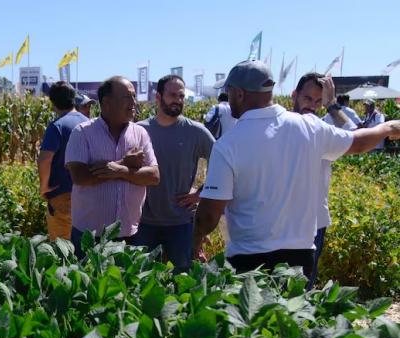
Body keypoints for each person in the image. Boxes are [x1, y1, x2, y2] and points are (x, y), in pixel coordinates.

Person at [193, 60, 400, 279]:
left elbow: (208, 214)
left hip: (248, 261)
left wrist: (195, 243)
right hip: (300, 259)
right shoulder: (310, 127)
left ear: (240, 94)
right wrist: (386, 128)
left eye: (229, 91)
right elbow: (358, 142)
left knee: (251, 311)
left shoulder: (228, 145)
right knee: (296, 312)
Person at [65, 76, 160, 256]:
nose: (133, 102)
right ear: (107, 102)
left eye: (133, 96)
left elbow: (154, 176)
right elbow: (80, 177)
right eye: (127, 97)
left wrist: (121, 170)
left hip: (130, 234)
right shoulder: (83, 132)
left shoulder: (140, 134)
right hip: (89, 237)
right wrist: (124, 163)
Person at [131, 75, 215, 272]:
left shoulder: (196, 132)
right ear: (158, 97)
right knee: (140, 280)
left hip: (180, 223)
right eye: (172, 95)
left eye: (181, 96)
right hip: (143, 222)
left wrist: (200, 192)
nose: (178, 100)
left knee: (182, 279)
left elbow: (222, 162)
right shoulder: (139, 130)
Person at [291, 72, 356, 288]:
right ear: (294, 96)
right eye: (307, 98)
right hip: (281, 220)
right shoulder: (279, 126)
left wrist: (332, 105)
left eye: (318, 101)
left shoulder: (323, 130)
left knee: (304, 287)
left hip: (314, 222)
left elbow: (354, 134)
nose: (312, 105)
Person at [37, 81, 88, 240]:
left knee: (62, 249)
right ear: (74, 99)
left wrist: (44, 187)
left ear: (53, 103)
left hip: (63, 195)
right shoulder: (89, 123)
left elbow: (44, 159)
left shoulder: (57, 126)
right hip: (88, 194)